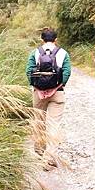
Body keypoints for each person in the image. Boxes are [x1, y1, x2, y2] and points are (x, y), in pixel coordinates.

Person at [26, 28, 72, 167]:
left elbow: (29, 71)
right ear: (55, 40)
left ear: (42, 39)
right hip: (57, 93)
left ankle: (39, 151)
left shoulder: (35, 52)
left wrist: (37, 87)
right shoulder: (63, 53)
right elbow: (67, 72)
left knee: (39, 121)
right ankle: (49, 158)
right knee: (53, 124)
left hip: (38, 93)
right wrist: (57, 86)